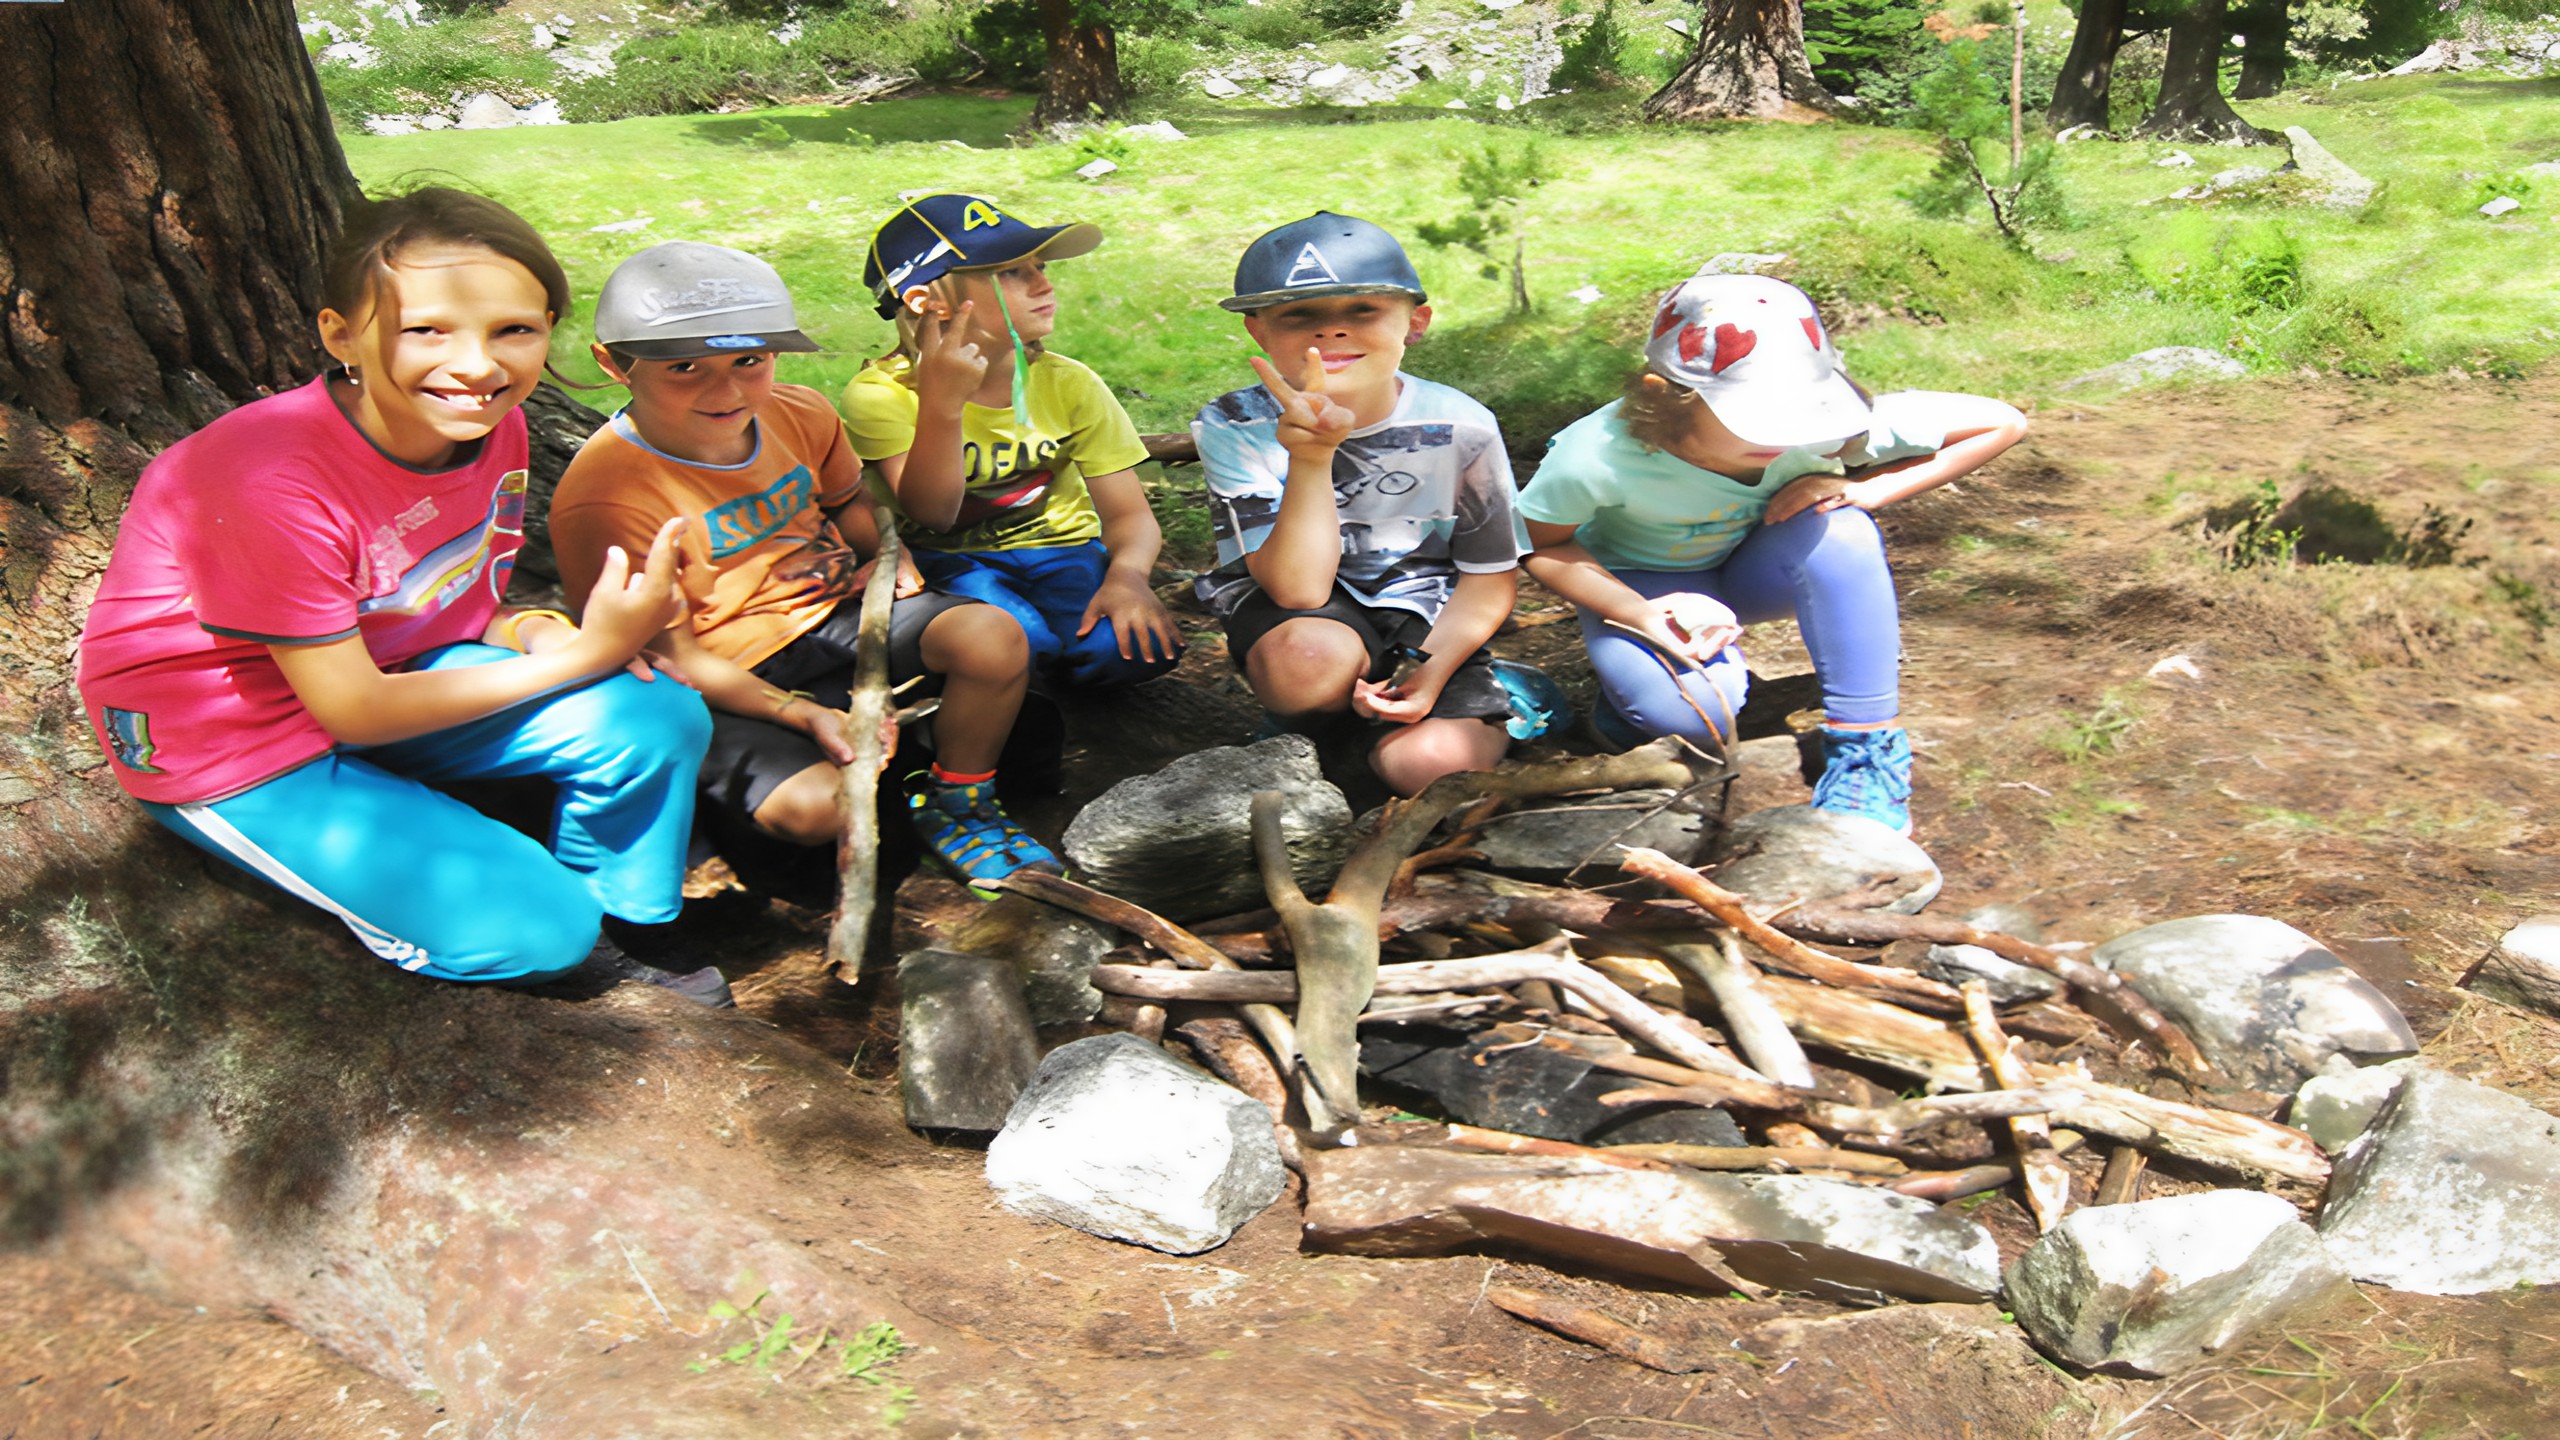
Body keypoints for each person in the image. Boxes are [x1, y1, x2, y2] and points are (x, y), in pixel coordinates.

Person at [75, 188, 728, 1003]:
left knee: (655, 715)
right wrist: (591, 652)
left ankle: (627, 926)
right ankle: (557, 932)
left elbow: (454, 597)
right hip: (237, 742)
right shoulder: (267, 481)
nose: (478, 365)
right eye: (427, 330)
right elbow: (355, 710)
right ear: (341, 335)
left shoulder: (487, 423)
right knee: (539, 932)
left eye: (514, 330)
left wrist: (539, 632)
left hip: (389, 667)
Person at [549, 241, 1058, 897]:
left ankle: (960, 799)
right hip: (726, 672)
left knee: (993, 638)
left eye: (749, 361)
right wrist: (797, 713)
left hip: (836, 614)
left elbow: (846, 501)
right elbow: (670, 654)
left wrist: (882, 555)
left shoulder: (800, 413)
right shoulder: (606, 497)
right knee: (821, 809)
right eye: (683, 368)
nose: (725, 391)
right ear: (613, 364)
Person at [1516, 270, 2028, 835]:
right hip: (1643, 585)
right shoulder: (1595, 456)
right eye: (1757, 419)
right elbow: (1540, 546)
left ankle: (1865, 747)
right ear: (1665, 397)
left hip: (1757, 569)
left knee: (1844, 528)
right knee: (1695, 717)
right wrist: (1640, 613)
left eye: (1800, 413)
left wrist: (1868, 488)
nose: (1784, 436)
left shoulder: (1820, 430)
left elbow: (2003, 423)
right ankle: (1626, 705)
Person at [1191, 211, 1558, 797]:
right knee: (1303, 663)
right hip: (1306, 615)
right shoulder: (1235, 423)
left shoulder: (1462, 425)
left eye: (1363, 310)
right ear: (1258, 332)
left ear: (1416, 323)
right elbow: (1297, 591)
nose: (1332, 332)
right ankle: (1312, 726)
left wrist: (1428, 673)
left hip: (1431, 621)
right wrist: (1312, 457)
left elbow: (1488, 578)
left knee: (1429, 769)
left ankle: (1508, 695)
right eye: (1299, 314)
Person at [843, 194, 1182, 696]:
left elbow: (1129, 514)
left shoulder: (1069, 382)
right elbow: (934, 515)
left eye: (1040, 267)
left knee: (1135, 648)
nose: (1044, 284)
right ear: (926, 301)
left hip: (1061, 551)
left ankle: (1025, 685)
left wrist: (1127, 577)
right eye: (1010, 273)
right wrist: (942, 406)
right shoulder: (881, 395)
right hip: (946, 559)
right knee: (1018, 643)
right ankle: (1003, 687)